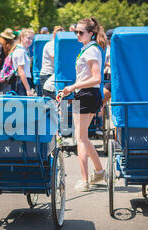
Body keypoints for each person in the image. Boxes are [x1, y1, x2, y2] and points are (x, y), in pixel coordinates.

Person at [57, 17, 108, 192]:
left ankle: (86, 180)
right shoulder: (88, 49)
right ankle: (99, 171)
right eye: (76, 32)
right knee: (83, 137)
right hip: (84, 94)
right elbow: (86, 78)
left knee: (80, 138)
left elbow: (96, 78)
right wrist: (69, 90)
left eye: (81, 32)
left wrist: (72, 87)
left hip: (87, 94)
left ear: (91, 34)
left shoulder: (92, 51)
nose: (77, 34)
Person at [40, 26, 64, 98]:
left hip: (54, 75)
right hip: (47, 74)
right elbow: (54, 56)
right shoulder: (50, 44)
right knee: (49, 102)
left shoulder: (58, 45)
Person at [10, 28, 35, 96]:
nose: (30, 41)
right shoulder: (20, 52)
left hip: (23, 81)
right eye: (28, 38)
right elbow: (21, 71)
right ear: (22, 37)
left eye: (32, 39)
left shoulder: (24, 50)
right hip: (22, 82)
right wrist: (28, 89)